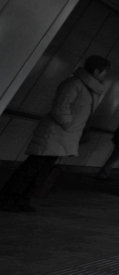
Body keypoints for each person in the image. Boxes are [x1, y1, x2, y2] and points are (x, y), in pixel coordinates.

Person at [0, 56, 110, 212]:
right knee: (33, 168)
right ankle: (10, 199)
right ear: (97, 70)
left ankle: (19, 199)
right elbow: (60, 106)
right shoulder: (74, 83)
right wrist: (68, 124)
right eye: (105, 71)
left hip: (62, 134)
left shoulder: (85, 87)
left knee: (40, 169)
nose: (106, 75)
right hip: (55, 133)